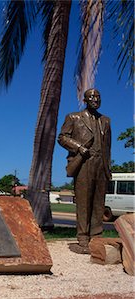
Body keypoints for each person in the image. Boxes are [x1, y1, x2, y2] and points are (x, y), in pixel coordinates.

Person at [58, 88, 111, 254]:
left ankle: (96, 236)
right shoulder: (74, 117)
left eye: (98, 97)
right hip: (83, 164)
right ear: (85, 100)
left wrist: (107, 167)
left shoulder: (106, 121)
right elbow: (62, 137)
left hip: (100, 166)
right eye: (92, 97)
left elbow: (107, 147)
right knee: (83, 202)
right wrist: (79, 148)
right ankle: (82, 238)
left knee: (98, 203)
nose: (95, 99)